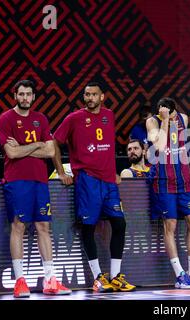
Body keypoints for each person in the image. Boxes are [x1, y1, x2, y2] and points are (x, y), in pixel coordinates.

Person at [52, 82, 136, 292]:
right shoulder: (74, 118)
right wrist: (62, 172)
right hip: (87, 180)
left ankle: (116, 276)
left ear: (102, 97)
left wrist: (113, 170)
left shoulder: (110, 115)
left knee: (119, 224)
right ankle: (98, 277)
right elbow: (54, 141)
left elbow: (107, 147)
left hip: (108, 182)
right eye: (86, 94)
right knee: (88, 227)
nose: (89, 97)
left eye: (93, 94)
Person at [0, 79, 71, 298]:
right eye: (21, 94)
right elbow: (11, 154)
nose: (25, 98)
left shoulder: (41, 119)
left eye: (29, 94)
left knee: (43, 227)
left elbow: (50, 151)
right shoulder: (6, 118)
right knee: (19, 226)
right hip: (17, 180)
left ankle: (50, 280)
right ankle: (20, 282)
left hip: (40, 181)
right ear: (15, 96)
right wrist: (38, 145)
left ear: (34, 97)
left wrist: (25, 147)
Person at [146, 97, 190, 289]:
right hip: (163, 180)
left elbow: (184, 148)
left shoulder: (183, 118)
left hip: (183, 179)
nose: (171, 118)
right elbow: (159, 146)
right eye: (166, 114)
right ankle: (180, 275)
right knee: (170, 225)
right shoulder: (153, 121)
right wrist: (164, 120)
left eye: (171, 115)